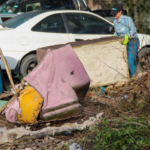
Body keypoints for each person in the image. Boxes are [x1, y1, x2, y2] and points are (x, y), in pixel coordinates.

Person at [110, 4, 139, 77]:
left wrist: (127, 37)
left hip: (132, 41)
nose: (114, 15)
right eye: (113, 14)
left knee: (129, 62)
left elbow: (133, 30)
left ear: (120, 12)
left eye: (115, 13)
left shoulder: (127, 19)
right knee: (124, 62)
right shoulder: (115, 22)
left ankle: (134, 79)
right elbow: (117, 32)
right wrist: (114, 36)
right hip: (123, 43)